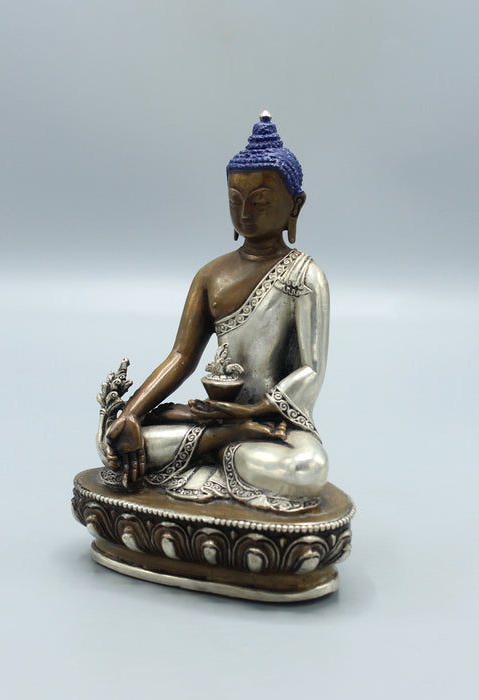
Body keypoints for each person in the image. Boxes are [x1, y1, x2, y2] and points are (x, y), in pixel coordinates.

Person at [104, 112, 330, 512]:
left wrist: (251, 410)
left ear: (295, 205)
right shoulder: (211, 275)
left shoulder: (304, 276)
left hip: (273, 423)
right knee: (112, 440)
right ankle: (224, 439)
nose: (245, 214)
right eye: (235, 202)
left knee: (306, 469)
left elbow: (310, 370)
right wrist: (133, 415)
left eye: (260, 202)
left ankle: (222, 441)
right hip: (214, 416)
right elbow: (181, 356)